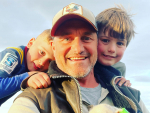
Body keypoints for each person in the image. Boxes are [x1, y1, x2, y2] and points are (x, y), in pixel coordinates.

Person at [8, 3, 149, 113]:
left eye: (86, 38)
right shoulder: (36, 97)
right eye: (66, 38)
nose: (78, 49)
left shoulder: (128, 95)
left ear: (96, 42)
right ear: (53, 46)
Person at [0, 29, 54, 105]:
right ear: (30, 43)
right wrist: (25, 78)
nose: (42, 62)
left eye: (50, 61)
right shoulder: (13, 56)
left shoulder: (37, 68)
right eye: (42, 52)